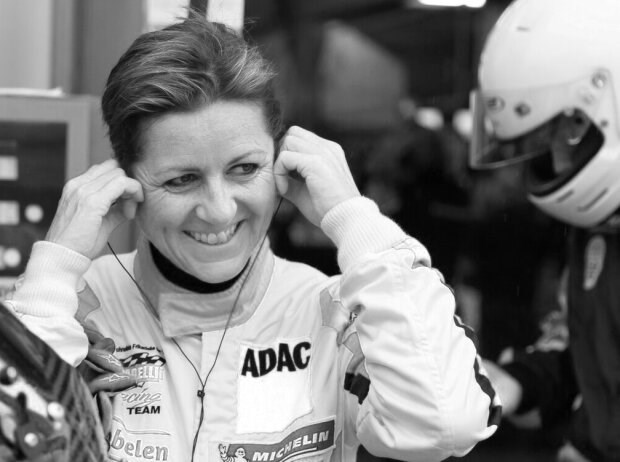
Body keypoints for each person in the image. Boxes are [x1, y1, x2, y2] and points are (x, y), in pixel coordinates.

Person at [3, 12, 499, 462]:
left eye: (244, 169)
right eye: (182, 179)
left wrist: (354, 219)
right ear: (125, 183)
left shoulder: (334, 311)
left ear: (280, 163)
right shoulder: (71, 306)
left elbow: (443, 426)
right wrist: (52, 271)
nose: (220, 209)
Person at [469, 0, 620, 460]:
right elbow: (586, 350)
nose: (553, 157)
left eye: (566, 129)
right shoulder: (597, 229)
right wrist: (516, 381)